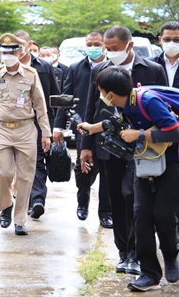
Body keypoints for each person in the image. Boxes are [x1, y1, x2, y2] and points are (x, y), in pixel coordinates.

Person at [78, 67, 179, 292]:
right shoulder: (123, 103)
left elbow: (174, 131)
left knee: (162, 214)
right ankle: (149, 273)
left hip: (172, 163)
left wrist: (140, 135)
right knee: (141, 215)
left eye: (102, 91)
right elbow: (118, 122)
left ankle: (171, 256)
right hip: (145, 162)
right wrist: (92, 128)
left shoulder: (148, 101)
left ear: (110, 94)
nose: (101, 95)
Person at [81, 25, 166, 275]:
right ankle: (123, 252)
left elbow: (162, 110)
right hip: (110, 146)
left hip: (143, 147)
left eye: (114, 49)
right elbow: (90, 107)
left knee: (138, 200)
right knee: (117, 198)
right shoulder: (100, 69)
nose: (109, 53)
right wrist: (86, 146)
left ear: (129, 46)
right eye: (106, 49)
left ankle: (138, 252)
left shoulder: (152, 70)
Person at [0, 33, 51, 236]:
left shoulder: (30, 74)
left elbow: (40, 105)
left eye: (12, 52)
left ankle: (20, 220)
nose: (8, 55)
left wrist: (46, 133)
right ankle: (6, 204)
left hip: (25, 128)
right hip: (1, 128)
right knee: (3, 174)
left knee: (26, 177)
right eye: (4, 52)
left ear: (20, 52)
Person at [52, 31, 112, 227]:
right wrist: (59, 126)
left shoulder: (113, 68)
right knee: (83, 168)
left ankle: (105, 212)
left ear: (104, 45)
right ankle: (83, 202)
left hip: (107, 127)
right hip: (83, 126)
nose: (92, 47)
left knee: (107, 171)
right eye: (89, 44)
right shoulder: (76, 68)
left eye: (96, 43)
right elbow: (66, 98)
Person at [14, 30, 60, 219]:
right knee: (21, 163)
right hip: (16, 123)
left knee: (37, 161)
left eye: (22, 45)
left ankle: (38, 199)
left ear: (29, 44)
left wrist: (56, 126)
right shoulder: (6, 67)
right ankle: (24, 199)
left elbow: (55, 97)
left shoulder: (44, 67)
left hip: (40, 122)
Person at [149, 20, 179, 245]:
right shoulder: (151, 66)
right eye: (167, 39)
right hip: (158, 133)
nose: (171, 44)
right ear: (160, 40)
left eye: (176, 40)